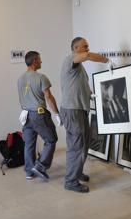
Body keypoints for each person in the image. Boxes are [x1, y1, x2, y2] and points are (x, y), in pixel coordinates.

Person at [60, 37, 114, 193]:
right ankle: (70, 181)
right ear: (76, 48)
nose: (87, 49)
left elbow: (80, 84)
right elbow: (88, 56)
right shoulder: (71, 59)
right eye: (85, 46)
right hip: (73, 110)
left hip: (79, 109)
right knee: (77, 147)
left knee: (83, 144)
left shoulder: (79, 67)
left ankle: (76, 172)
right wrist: (107, 60)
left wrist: (91, 94)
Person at [18, 51, 61, 181]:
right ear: (35, 61)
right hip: (39, 114)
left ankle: (29, 172)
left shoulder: (20, 79)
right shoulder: (41, 77)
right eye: (40, 60)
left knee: (29, 144)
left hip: (25, 115)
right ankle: (40, 166)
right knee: (51, 139)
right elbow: (48, 97)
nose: (41, 62)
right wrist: (57, 113)